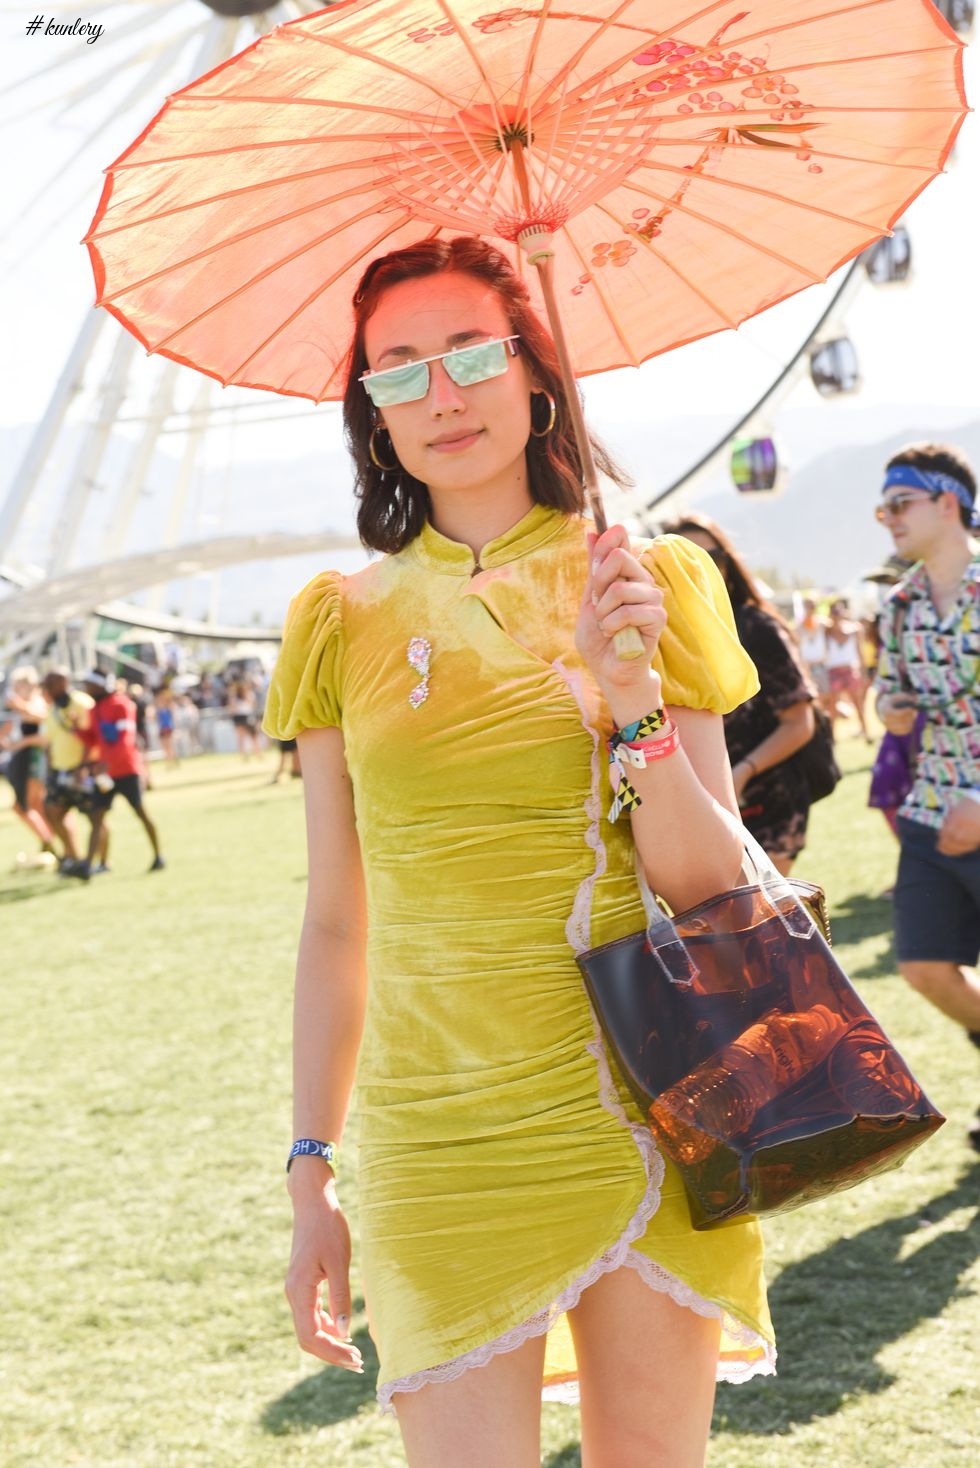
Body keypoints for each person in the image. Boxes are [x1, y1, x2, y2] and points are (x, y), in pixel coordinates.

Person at [262, 237, 774, 1468]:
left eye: (469, 353)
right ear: (369, 412)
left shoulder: (648, 582)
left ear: (535, 375)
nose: (438, 394)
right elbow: (339, 920)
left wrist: (633, 703)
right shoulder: (339, 620)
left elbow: (712, 884)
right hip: (434, 1132)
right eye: (396, 369)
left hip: (648, 1104)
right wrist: (308, 1168)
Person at [873, 442, 980, 1152]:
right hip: (927, 810)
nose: (887, 520)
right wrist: (890, 710)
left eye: (899, 504)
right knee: (920, 966)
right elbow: (886, 686)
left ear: (949, 502)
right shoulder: (898, 604)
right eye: (882, 509)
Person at [663, 512, 816, 876]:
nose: (699, 571)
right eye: (682, 561)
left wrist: (742, 771)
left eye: (711, 558)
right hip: (697, 802)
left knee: (762, 919)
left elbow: (800, 723)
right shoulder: (663, 636)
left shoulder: (756, 628)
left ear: (728, 564)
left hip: (769, 798)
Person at [76, 670, 165, 879]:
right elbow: (94, 739)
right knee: (97, 816)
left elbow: (125, 740)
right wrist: (75, 729)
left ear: (100, 685)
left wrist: (106, 764)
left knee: (141, 813)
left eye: (89, 684)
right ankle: (88, 866)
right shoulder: (95, 709)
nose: (86, 689)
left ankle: (158, 855)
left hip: (126, 771)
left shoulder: (122, 705)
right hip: (106, 774)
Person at [40, 669, 108, 876]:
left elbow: (93, 736)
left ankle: (103, 861)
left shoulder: (82, 703)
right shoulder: (52, 710)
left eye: (50, 684)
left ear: (63, 682)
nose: (47, 689)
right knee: (52, 811)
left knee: (95, 817)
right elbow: (49, 743)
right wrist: (50, 770)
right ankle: (74, 857)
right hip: (60, 771)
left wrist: (87, 765)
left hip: (83, 770)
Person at [0, 664, 58, 863]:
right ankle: (49, 841)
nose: (15, 688)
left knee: (26, 805)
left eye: (19, 684)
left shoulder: (36, 701)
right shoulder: (23, 705)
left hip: (33, 759)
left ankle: (50, 841)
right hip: (26, 758)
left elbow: (43, 723)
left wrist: (19, 707)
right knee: (32, 805)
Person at [824, 598, 873, 741]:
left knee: (858, 703)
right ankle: (832, 737)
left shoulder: (854, 630)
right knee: (832, 706)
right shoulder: (826, 632)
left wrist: (863, 672)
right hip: (833, 672)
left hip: (851, 670)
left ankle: (866, 731)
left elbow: (860, 652)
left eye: (839, 611)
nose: (836, 614)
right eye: (833, 612)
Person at [797, 597, 829, 701]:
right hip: (807, 667)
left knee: (827, 695)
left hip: (822, 665)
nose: (809, 609)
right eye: (807, 606)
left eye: (812, 606)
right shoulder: (798, 628)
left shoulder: (822, 624)